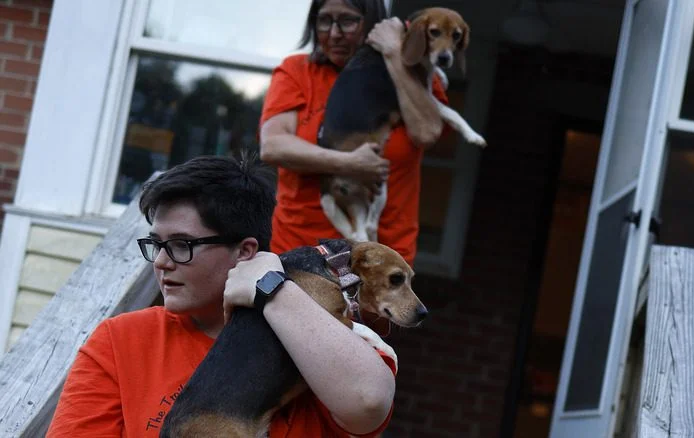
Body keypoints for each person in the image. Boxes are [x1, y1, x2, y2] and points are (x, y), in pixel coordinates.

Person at [46, 155, 397, 437]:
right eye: (156, 245)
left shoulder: (329, 339)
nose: (163, 263)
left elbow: (367, 402)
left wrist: (272, 288)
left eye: (182, 245)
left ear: (246, 252)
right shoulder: (121, 341)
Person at [260, 0, 448, 264]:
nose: (334, 33)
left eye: (348, 21)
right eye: (324, 20)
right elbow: (273, 146)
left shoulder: (415, 75)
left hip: (384, 256)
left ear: (373, 23)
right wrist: (350, 163)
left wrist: (394, 53)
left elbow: (427, 133)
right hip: (301, 250)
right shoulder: (298, 71)